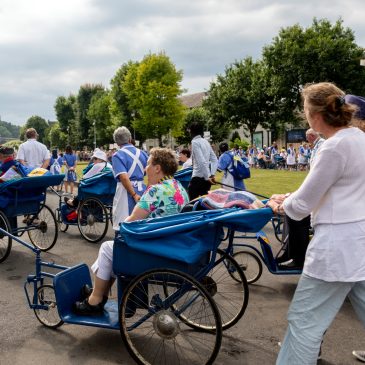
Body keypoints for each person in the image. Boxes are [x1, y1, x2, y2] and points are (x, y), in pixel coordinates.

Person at [266, 82, 365, 364]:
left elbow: (301, 207)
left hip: (336, 248)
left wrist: (281, 204)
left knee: (304, 323)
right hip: (358, 242)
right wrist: (289, 197)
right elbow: (334, 189)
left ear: (315, 114)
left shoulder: (333, 147)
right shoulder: (357, 139)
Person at [73, 147, 189, 315]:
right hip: (168, 244)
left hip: (154, 250)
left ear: (157, 168)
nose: (145, 168)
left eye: (148, 164)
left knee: (108, 248)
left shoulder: (156, 190)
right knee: (113, 251)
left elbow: (130, 221)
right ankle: (99, 293)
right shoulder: (178, 187)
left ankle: (95, 300)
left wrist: (121, 227)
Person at [111, 126, 148, 229]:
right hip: (142, 189)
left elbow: (124, 177)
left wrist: (133, 194)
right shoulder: (143, 153)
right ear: (130, 138)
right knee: (141, 223)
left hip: (126, 191)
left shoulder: (117, 155)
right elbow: (148, 171)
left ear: (117, 142)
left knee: (123, 224)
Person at [187, 122, 218, 200]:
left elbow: (201, 161)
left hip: (198, 178)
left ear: (191, 131)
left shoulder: (195, 142)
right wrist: (212, 174)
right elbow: (215, 159)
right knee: (204, 204)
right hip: (206, 180)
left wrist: (208, 176)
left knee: (191, 203)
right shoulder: (206, 141)